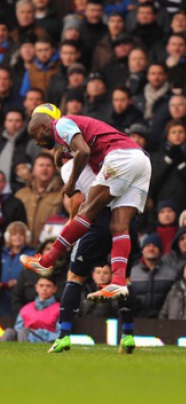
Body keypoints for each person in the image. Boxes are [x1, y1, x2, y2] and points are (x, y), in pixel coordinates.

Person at [20, 105, 151, 302]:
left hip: (121, 157)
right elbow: (80, 146)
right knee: (118, 225)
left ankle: (47, 261)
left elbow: (83, 151)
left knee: (88, 210)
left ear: (45, 127)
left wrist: (71, 183)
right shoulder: (70, 135)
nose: (36, 142)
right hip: (141, 161)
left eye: (35, 135)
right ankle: (118, 281)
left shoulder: (61, 123)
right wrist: (63, 152)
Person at [46, 155, 141, 354]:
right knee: (124, 279)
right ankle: (128, 335)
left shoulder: (70, 166)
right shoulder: (111, 161)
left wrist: (73, 223)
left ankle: (63, 336)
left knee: (75, 277)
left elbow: (78, 199)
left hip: (96, 221)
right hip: (125, 219)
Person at [0, 277, 60, 343]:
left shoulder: (59, 309)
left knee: (24, 332)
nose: (44, 289)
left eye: (48, 286)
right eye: (41, 285)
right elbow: (17, 329)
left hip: (45, 342)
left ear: (54, 289)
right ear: (36, 287)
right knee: (9, 332)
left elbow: (60, 335)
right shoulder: (26, 309)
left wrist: (35, 333)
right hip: (23, 337)